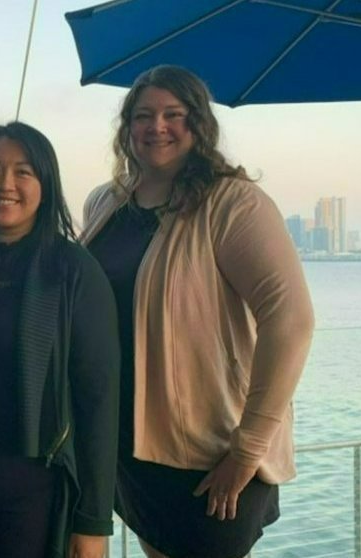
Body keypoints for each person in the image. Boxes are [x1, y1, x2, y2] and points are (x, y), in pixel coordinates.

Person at [81, 65, 314, 558]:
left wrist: (248, 449)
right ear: (127, 128)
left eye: (173, 114)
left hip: (211, 453)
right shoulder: (106, 202)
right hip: (129, 442)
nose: (156, 126)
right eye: (142, 115)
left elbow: (290, 321)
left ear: (199, 123)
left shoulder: (233, 203)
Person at [0, 122, 120, 558]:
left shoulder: (73, 272)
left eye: (23, 171)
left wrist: (93, 522)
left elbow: (99, 401)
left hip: (34, 491)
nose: (5, 183)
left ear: (46, 184)